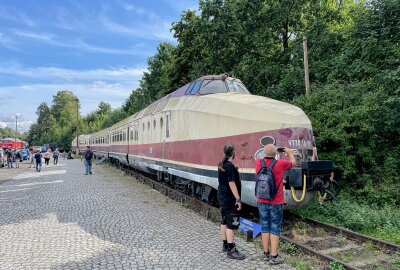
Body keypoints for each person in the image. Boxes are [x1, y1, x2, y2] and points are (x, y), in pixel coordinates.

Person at [255, 144, 295, 265]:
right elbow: (293, 163)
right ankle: (274, 256)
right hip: (276, 202)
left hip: (261, 200)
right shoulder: (281, 164)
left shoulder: (257, 163)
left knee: (264, 226)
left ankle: (265, 254)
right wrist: (289, 153)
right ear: (275, 154)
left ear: (263, 153)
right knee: (275, 227)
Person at [217, 144, 245, 260]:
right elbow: (231, 183)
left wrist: (235, 170)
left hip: (222, 197)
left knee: (224, 220)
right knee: (231, 224)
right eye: (235, 151)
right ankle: (231, 249)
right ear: (233, 153)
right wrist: (238, 199)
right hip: (230, 199)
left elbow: (225, 177)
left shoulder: (221, 164)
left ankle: (225, 245)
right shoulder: (229, 166)